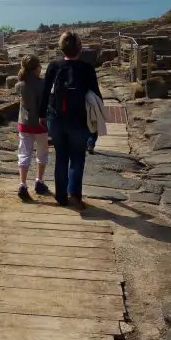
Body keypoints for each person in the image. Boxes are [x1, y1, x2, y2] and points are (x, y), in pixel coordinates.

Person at [38, 31, 102, 209]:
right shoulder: (87, 68)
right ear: (79, 49)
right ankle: (74, 192)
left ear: (61, 48)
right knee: (77, 157)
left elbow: (45, 93)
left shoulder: (53, 66)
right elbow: (96, 96)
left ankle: (60, 196)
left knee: (61, 156)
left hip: (56, 118)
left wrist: (42, 115)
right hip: (79, 120)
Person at [14, 54, 50, 201]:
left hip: (25, 124)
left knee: (24, 154)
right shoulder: (44, 84)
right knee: (42, 154)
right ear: (37, 68)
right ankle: (39, 182)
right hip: (41, 124)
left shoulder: (19, 85)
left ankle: (22, 184)